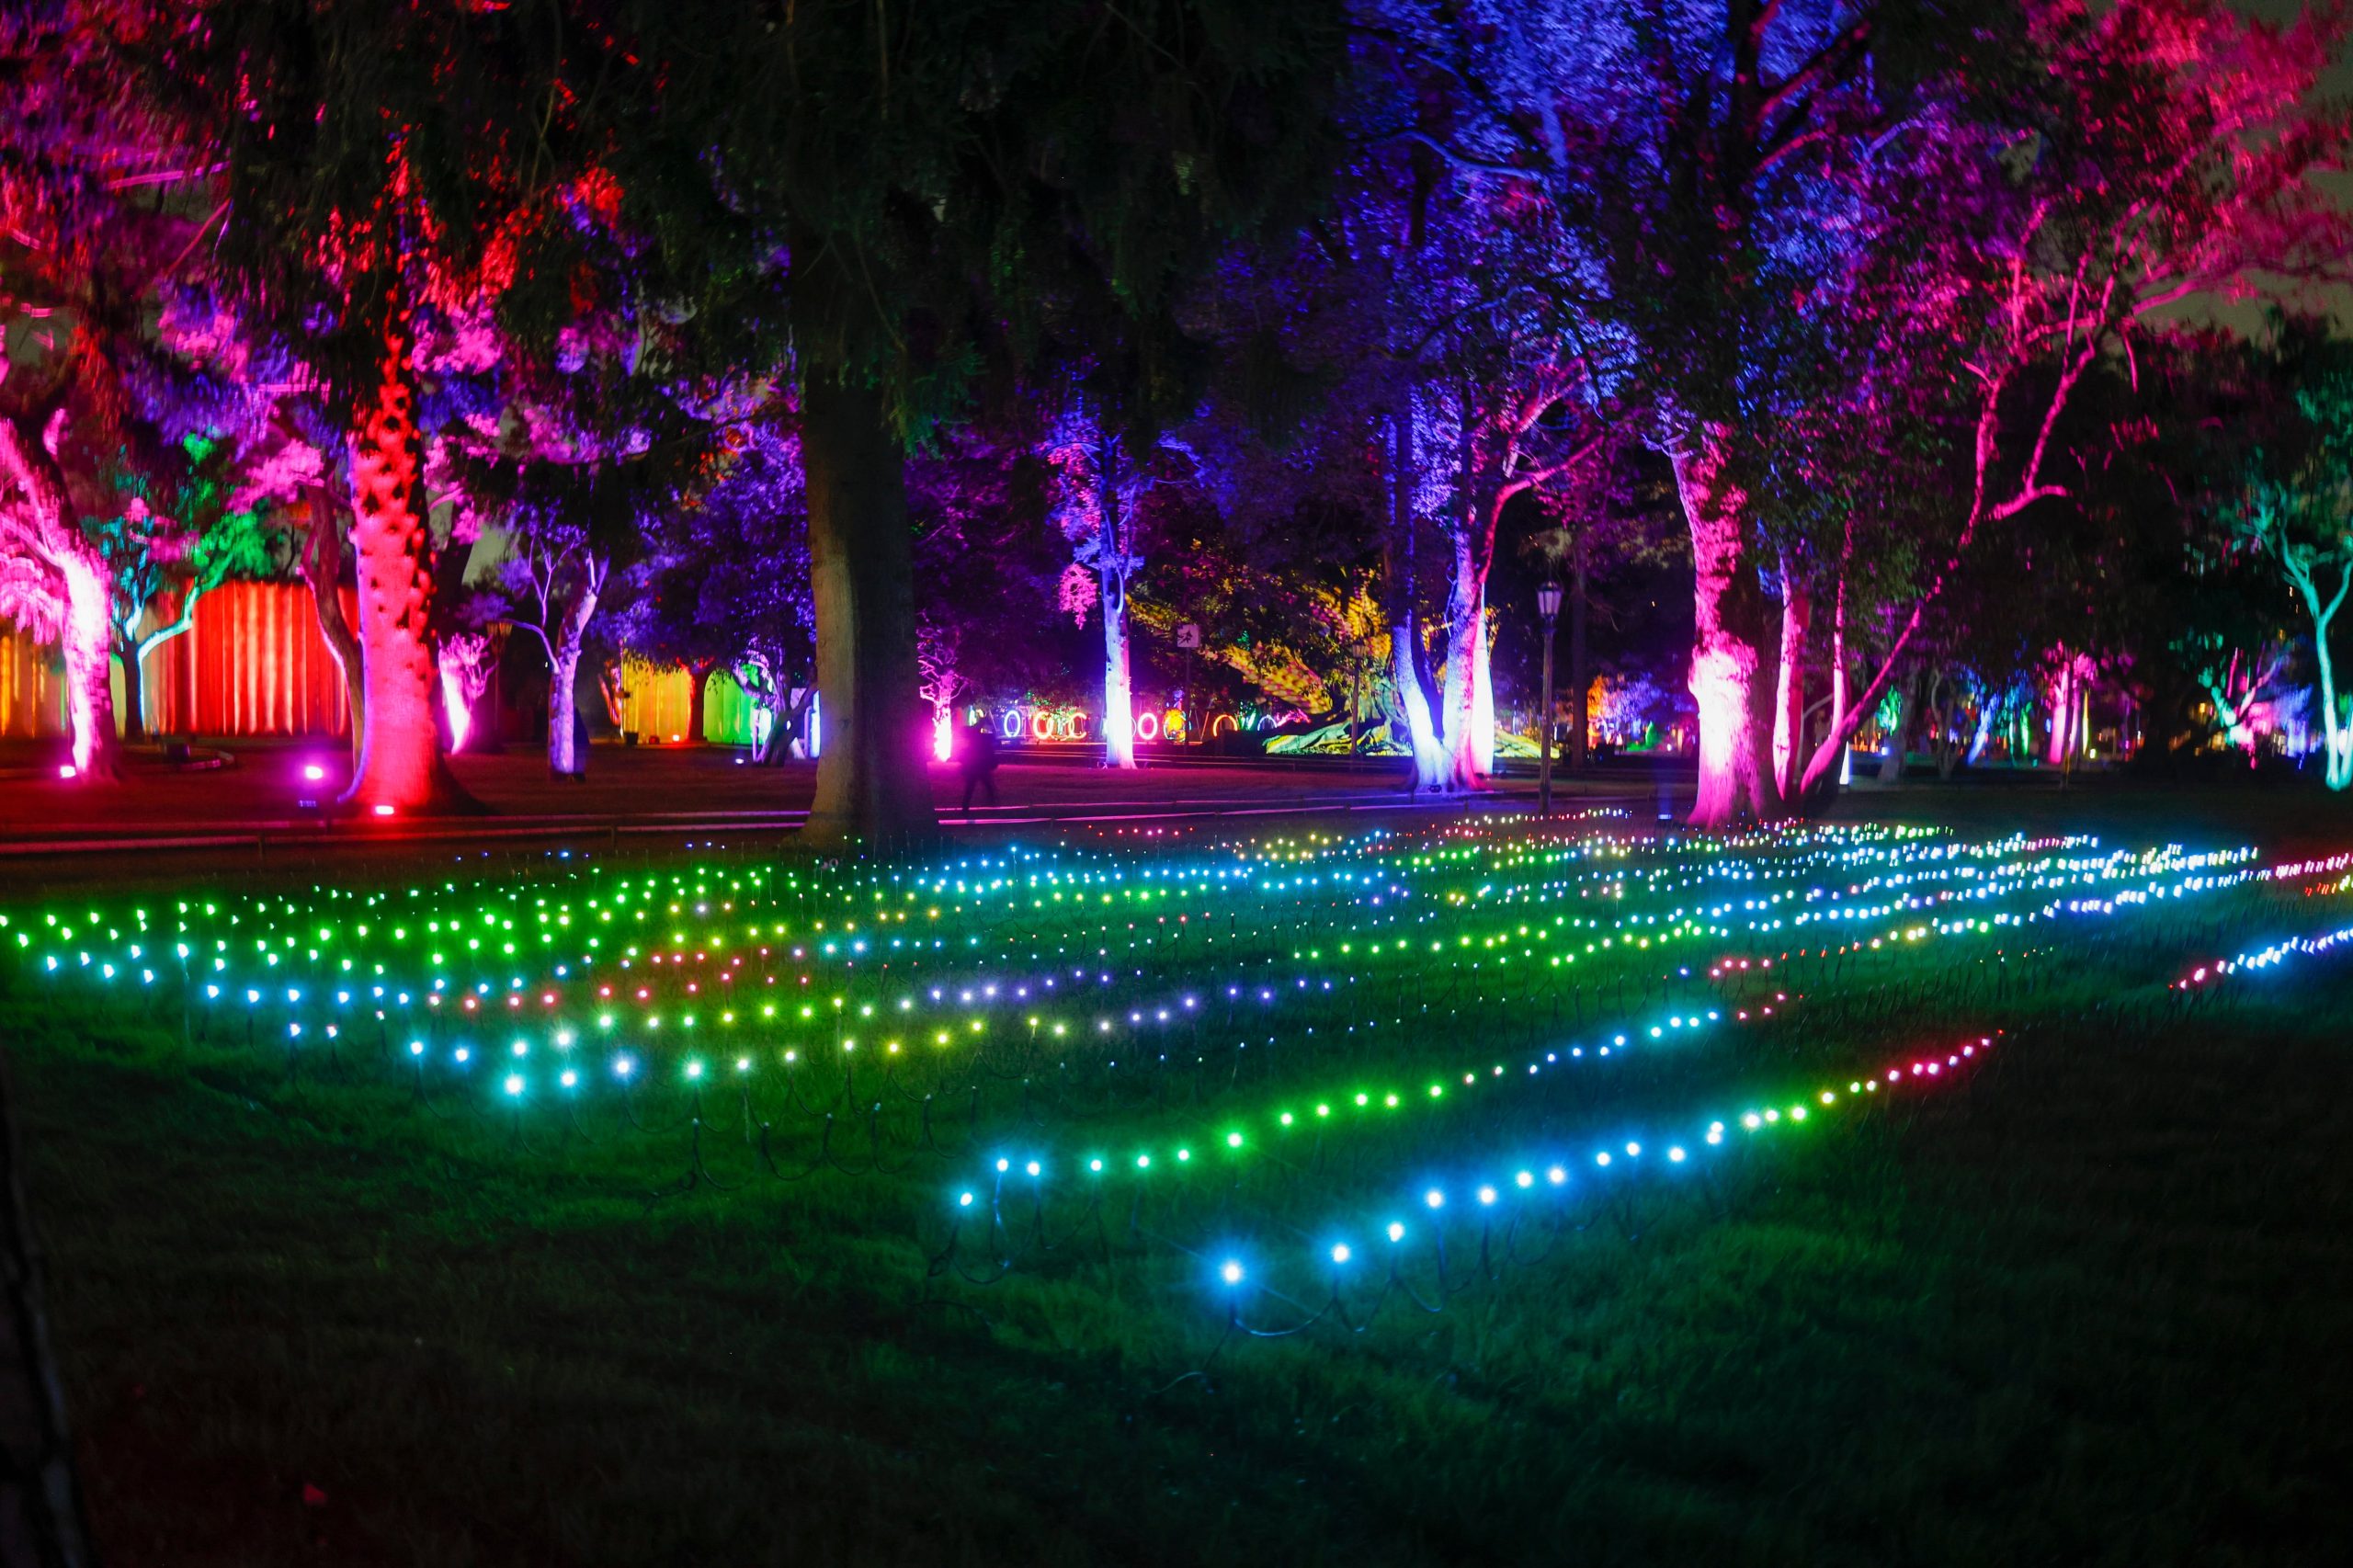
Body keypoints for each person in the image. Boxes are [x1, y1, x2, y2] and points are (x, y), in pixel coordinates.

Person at [959, 719, 999, 815]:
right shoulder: (984, 737)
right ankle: (992, 802)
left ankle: (965, 807)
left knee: (972, 786)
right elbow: (994, 738)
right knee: (986, 785)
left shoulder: (976, 736)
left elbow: (964, 731)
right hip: (979, 765)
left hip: (974, 765)